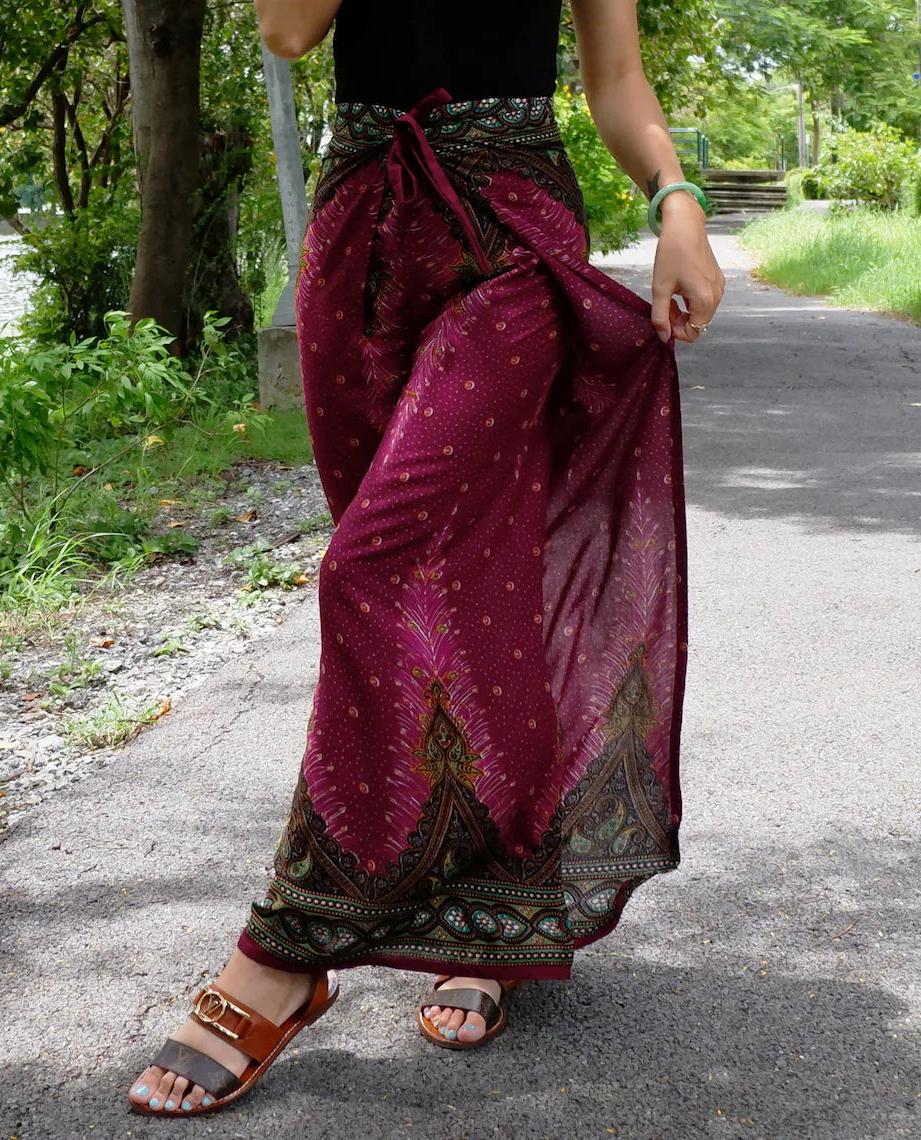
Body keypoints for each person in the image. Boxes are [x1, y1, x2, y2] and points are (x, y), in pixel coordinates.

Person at [129, 0, 724, 1118]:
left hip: (509, 233)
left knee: (373, 569)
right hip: (362, 231)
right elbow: (289, 32)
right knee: (457, 603)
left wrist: (675, 199)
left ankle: (285, 953)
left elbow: (616, 79)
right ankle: (483, 908)